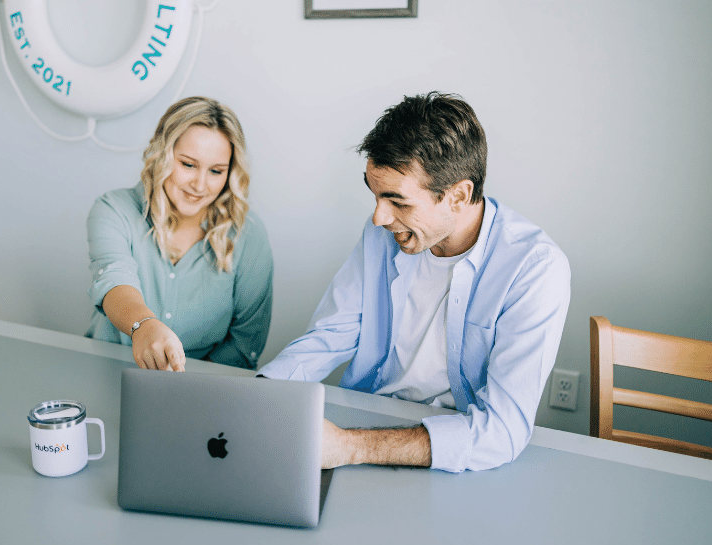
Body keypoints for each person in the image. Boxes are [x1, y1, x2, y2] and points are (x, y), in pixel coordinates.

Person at [258, 92, 571, 472]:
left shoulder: (534, 268)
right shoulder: (386, 233)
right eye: (374, 196)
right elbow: (328, 337)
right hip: (367, 423)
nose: (378, 217)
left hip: (456, 456)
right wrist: (261, 394)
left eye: (397, 201)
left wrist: (350, 448)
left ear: (458, 196)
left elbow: (501, 432)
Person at [86, 96, 273, 371]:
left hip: (204, 389)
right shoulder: (114, 210)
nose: (199, 184)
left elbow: (246, 342)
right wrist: (144, 327)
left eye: (216, 171)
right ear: (162, 155)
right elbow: (114, 281)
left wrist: (187, 391)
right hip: (110, 371)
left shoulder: (249, 235)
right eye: (187, 164)